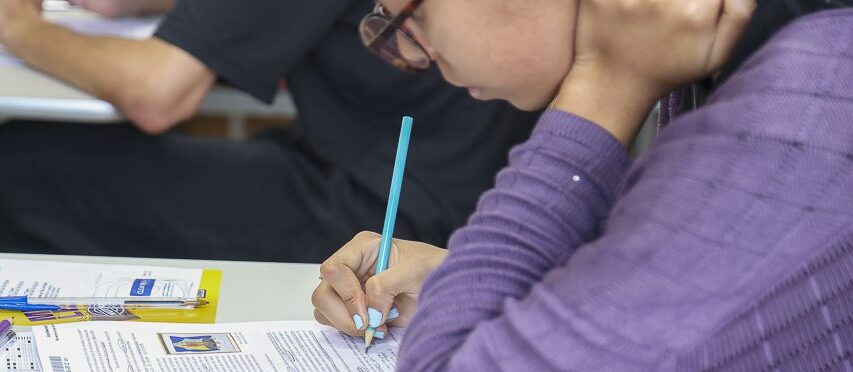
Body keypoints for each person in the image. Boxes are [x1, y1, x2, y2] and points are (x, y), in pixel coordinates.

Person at [312, 0, 853, 372]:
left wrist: (605, 86)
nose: (416, 54)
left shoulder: (808, 108)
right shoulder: (785, 62)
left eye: (415, 14)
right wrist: (464, 281)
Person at [0, 0, 538, 262]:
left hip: (390, 217)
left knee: (21, 167)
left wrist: (19, 28)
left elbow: (156, 92)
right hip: (455, 189)